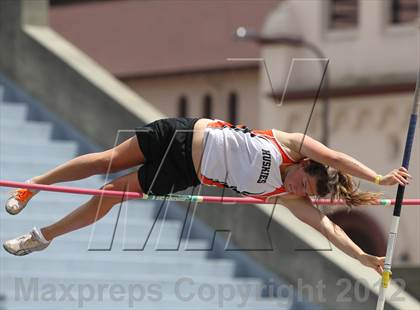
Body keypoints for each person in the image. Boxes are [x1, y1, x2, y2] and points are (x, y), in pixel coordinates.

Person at [3, 117, 411, 275]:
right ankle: (31, 186)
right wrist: (378, 177)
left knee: (111, 194)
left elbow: (326, 229)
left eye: (303, 194)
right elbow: (337, 156)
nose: (296, 191)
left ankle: (43, 237)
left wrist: (363, 257)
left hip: (186, 171)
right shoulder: (293, 143)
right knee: (106, 161)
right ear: (305, 166)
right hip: (181, 133)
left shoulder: (287, 199)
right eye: (302, 183)